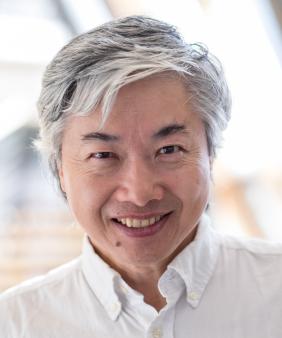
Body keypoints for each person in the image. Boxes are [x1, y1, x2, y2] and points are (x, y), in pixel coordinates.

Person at [0, 15, 281, 338]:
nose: (139, 192)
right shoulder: (14, 325)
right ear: (60, 170)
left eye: (169, 149)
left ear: (210, 152)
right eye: (103, 155)